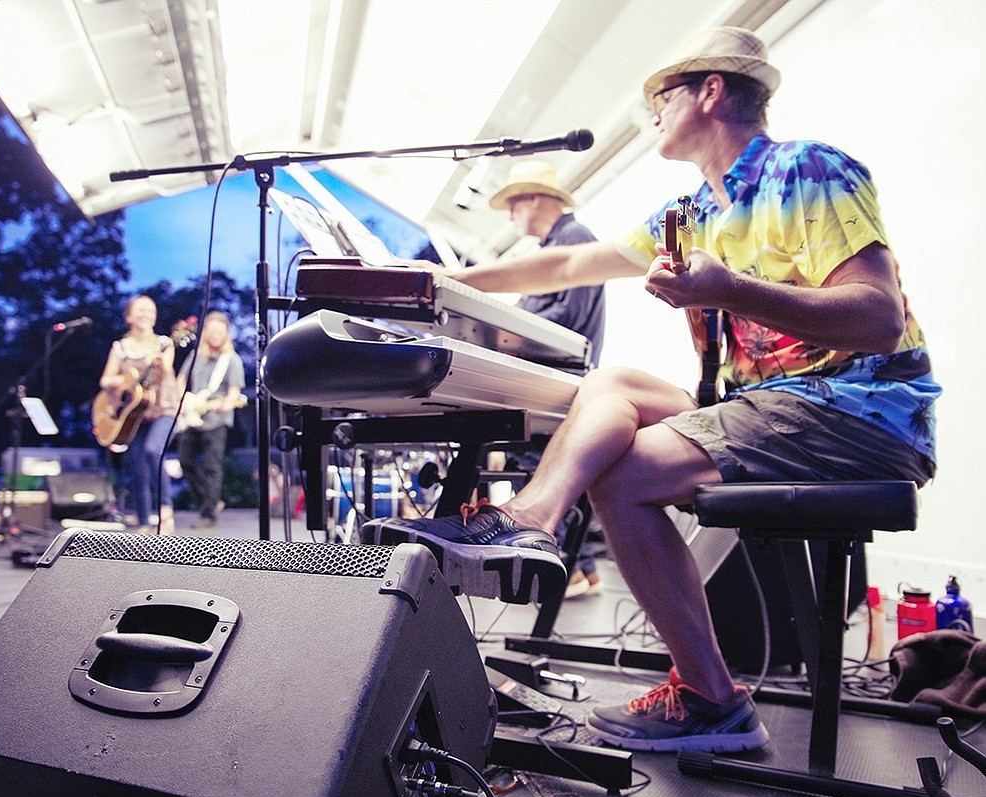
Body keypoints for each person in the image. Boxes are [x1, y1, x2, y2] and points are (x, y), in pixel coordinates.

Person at [362, 26, 940, 753]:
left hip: (857, 409)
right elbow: (564, 267)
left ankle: (712, 698)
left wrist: (730, 287)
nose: (650, 111)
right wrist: (438, 283)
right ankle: (530, 520)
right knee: (612, 382)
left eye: (660, 95)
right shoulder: (693, 210)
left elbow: (880, 318)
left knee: (625, 474)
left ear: (711, 90)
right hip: (769, 406)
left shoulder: (811, 170)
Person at [488, 160, 606, 597]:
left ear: (533, 198)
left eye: (512, 206)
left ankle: (566, 567)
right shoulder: (559, 243)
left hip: (559, 377)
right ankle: (583, 570)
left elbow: (567, 319)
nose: (509, 217)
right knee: (537, 462)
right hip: (555, 375)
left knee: (531, 462)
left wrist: (507, 331)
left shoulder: (574, 238)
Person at [98, 295, 178, 533]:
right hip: (133, 414)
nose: (146, 314)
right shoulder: (120, 347)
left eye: (150, 310)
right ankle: (144, 522)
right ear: (129, 317)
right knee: (137, 466)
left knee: (154, 450)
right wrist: (123, 382)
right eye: (140, 310)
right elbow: (105, 380)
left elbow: (167, 374)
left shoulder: (164, 342)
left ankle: (165, 510)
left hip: (163, 408)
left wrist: (159, 361)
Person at [176, 311, 246, 528]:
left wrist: (225, 404)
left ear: (226, 334)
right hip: (191, 416)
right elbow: (181, 379)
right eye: (211, 331)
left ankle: (208, 515)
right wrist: (182, 404)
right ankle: (212, 500)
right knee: (185, 462)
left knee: (212, 467)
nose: (215, 335)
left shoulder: (231, 360)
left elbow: (234, 394)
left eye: (220, 331)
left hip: (216, 420)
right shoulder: (196, 355)